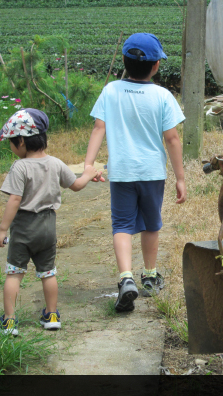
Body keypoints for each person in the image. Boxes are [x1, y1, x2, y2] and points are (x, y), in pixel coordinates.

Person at [84, 32, 186, 313]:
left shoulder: (111, 91)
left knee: (122, 225)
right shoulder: (163, 95)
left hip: (122, 172)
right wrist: (180, 177)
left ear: (124, 63)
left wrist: (88, 165)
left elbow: (98, 128)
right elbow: (173, 139)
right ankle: (150, 276)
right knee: (151, 224)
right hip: (152, 172)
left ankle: (126, 278)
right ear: (156, 66)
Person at [0, 108, 99, 336]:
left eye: (11, 142)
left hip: (23, 228)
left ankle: (9, 321)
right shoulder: (56, 163)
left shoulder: (20, 167)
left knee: (14, 273)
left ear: (21, 141)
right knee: (48, 272)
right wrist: (89, 173)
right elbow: (77, 185)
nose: (11, 147)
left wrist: (2, 230)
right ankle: (51, 315)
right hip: (48, 227)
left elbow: (15, 199)